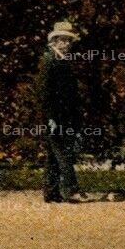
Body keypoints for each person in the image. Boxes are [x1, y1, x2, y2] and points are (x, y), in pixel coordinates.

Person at [37, 20, 90, 204]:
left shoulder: (62, 60)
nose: (67, 44)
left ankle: (51, 192)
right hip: (55, 116)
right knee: (63, 153)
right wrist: (50, 117)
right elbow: (44, 92)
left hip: (65, 116)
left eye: (69, 41)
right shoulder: (49, 60)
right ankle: (72, 190)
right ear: (54, 41)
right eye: (63, 40)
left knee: (54, 156)